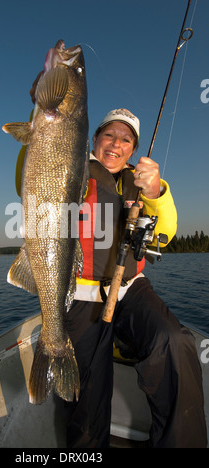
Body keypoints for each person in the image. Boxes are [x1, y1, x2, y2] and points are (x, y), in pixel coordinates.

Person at [65, 108, 208, 448]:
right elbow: (28, 170)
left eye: (126, 139)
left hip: (130, 289)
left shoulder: (144, 183)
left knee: (174, 342)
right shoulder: (69, 169)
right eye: (109, 135)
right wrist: (48, 117)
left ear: (133, 148)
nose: (116, 144)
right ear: (94, 140)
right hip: (80, 295)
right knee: (85, 396)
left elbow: (165, 236)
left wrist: (156, 193)